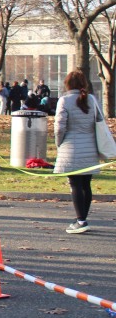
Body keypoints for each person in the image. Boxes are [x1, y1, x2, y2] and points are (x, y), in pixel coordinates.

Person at [55, 69, 103, 235]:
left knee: (75, 184)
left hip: (71, 147)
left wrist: (59, 143)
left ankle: (81, 221)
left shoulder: (64, 100)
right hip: (90, 147)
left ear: (67, 84)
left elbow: (60, 126)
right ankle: (82, 218)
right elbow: (100, 121)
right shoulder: (92, 99)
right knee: (86, 184)